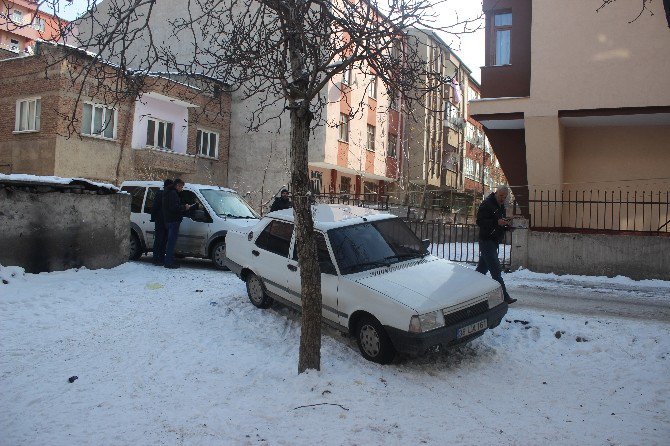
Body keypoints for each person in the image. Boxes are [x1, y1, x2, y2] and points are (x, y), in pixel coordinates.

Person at [476, 185, 517, 304]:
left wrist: (507, 227)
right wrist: (496, 222)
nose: (502, 199)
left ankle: (467, 291)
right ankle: (505, 297)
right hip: (486, 240)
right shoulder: (487, 203)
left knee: (481, 271)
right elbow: (480, 221)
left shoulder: (501, 206)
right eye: (500, 196)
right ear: (496, 193)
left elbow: (499, 223)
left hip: (493, 241)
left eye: (504, 197)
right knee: (496, 271)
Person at [162, 178, 192, 269]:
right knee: (171, 242)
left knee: (170, 242)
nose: (181, 189)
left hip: (169, 220)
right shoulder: (173, 193)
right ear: (177, 185)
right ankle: (168, 262)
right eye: (181, 187)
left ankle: (169, 260)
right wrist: (184, 207)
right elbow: (174, 208)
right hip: (173, 220)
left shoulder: (169, 192)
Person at [150, 179, 173, 265]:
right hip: (160, 221)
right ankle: (156, 258)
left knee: (163, 240)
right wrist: (153, 218)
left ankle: (160, 258)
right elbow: (155, 207)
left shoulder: (169, 194)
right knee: (159, 240)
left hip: (165, 221)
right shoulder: (160, 194)